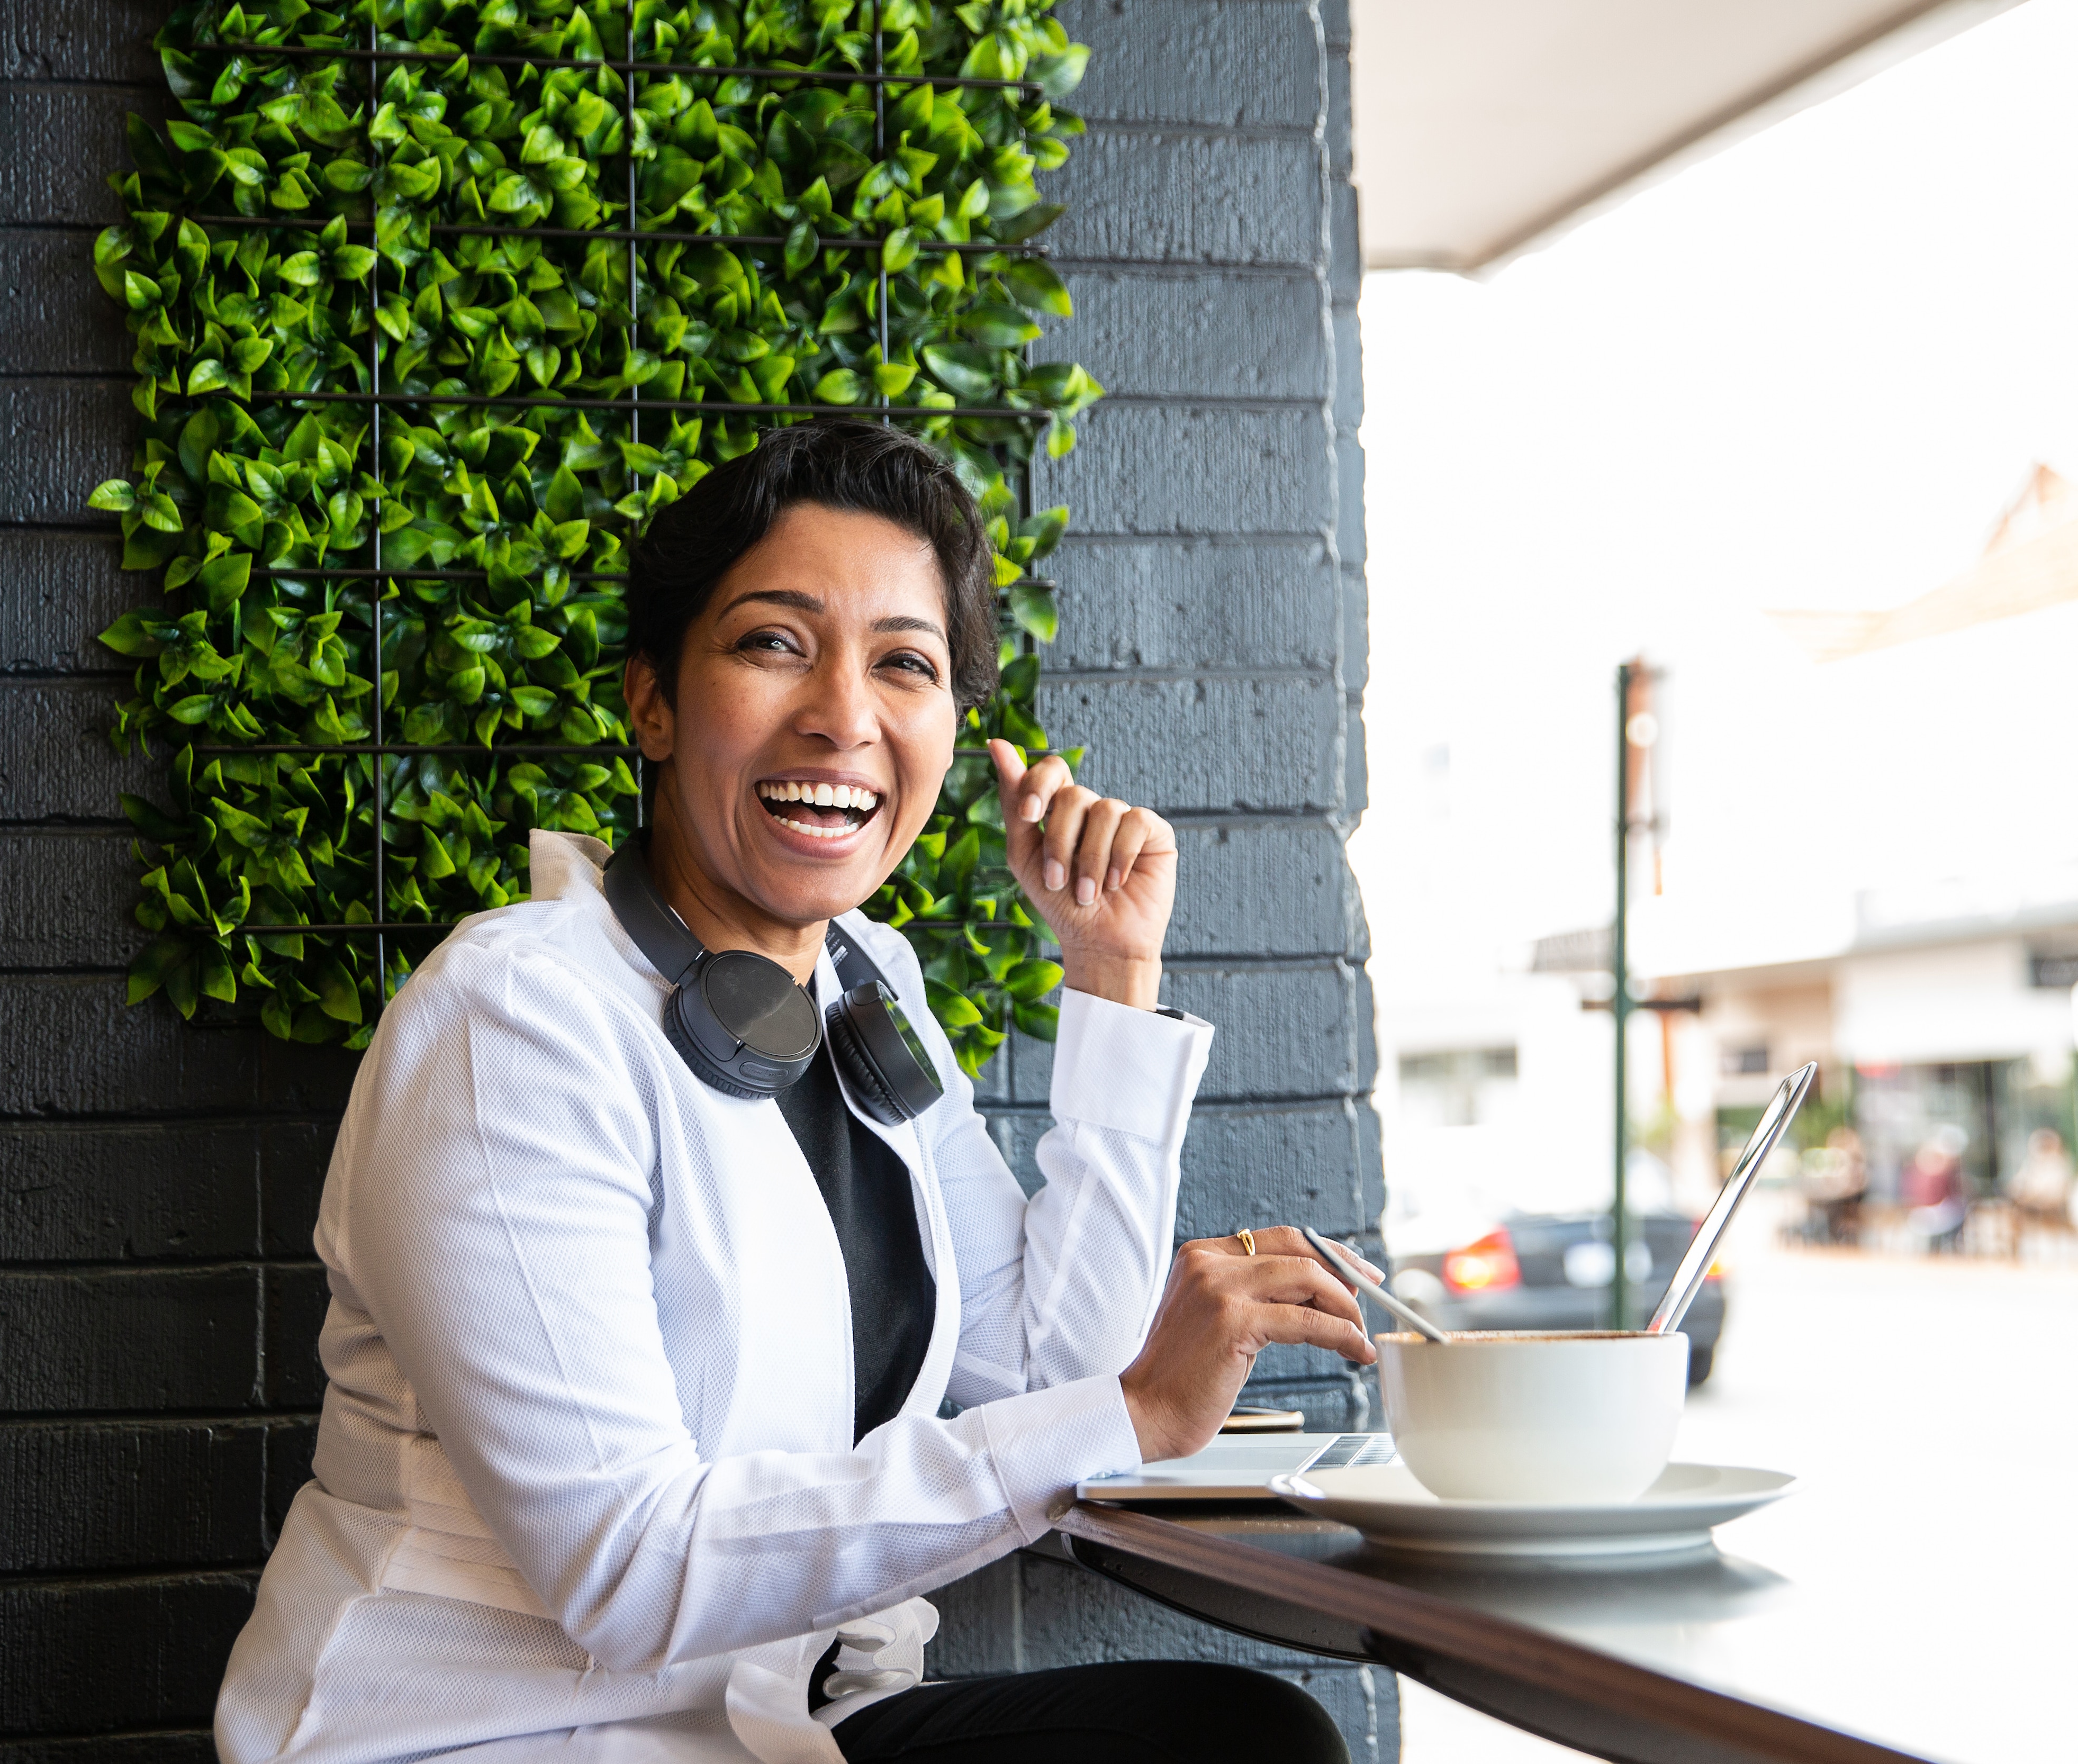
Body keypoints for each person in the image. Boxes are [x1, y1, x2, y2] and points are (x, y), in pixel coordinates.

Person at [215, 420, 1377, 1764]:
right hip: (503, 1737)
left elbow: (1061, 1377)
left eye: (905, 663)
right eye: (774, 642)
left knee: (1242, 1741)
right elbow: (628, 1568)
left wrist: (1110, 975)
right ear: (652, 699)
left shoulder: (860, 984)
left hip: (786, 1725)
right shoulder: (514, 1021)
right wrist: (1125, 1411)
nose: (844, 713)